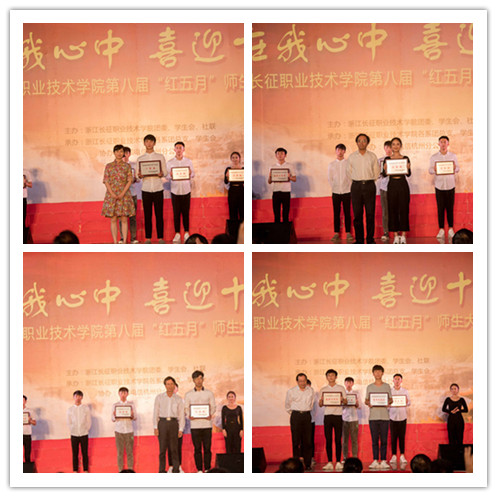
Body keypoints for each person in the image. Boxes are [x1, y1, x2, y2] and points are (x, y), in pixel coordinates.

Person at [347, 133, 379, 244]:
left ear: (367, 143)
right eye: (359, 141)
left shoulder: (372, 156)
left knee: (370, 214)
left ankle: (370, 239)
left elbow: (376, 172)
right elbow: (349, 172)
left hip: (370, 186)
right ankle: (359, 240)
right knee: (357, 215)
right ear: (356, 143)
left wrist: (369, 180)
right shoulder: (352, 157)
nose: (361, 143)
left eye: (364, 140)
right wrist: (357, 181)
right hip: (356, 187)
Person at [101, 144, 135, 244]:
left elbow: (129, 180)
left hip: (124, 195)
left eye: (121, 151)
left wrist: (122, 193)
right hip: (111, 195)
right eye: (117, 151)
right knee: (113, 219)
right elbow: (106, 181)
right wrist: (112, 193)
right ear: (114, 153)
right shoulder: (109, 166)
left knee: (124, 219)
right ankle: (115, 242)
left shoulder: (127, 166)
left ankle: (124, 242)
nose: (119, 153)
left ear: (123, 153)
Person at [429, 136, 460, 242]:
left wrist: (455, 167)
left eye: (445, 142)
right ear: (438, 144)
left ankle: (451, 229)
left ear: (448, 144)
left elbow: (458, 168)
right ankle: (441, 229)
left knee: (450, 208)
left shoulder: (453, 156)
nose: (443, 144)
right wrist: (434, 169)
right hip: (439, 186)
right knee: (440, 208)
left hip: (450, 185)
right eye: (441, 142)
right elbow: (430, 170)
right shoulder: (434, 157)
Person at [184, 371, 216, 472]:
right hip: (195, 426)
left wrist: (210, 414)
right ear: (193, 380)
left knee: (207, 448)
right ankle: (199, 470)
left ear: (203, 379)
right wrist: (189, 415)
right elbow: (186, 408)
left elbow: (213, 406)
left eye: (201, 378)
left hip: (207, 425)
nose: (199, 380)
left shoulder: (209, 393)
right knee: (197, 449)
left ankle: (207, 469)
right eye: (197, 378)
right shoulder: (188, 394)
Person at [136, 134, 166, 244]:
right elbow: (137, 176)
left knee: (159, 214)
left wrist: (162, 173)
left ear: (154, 143)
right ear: (144, 143)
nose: (149, 143)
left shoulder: (160, 157)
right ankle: (148, 238)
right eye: (147, 141)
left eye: (151, 141)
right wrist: (139, 176)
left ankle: (160, 237)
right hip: (146, 189)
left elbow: (165, 172)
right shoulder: (140, 159)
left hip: (158, 188)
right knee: (147, 215)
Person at [381, 137, 411, 243]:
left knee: (404, 209)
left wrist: (408, 168)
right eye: (393, 144)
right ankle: (395, 235)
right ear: (391, 146)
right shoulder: (387, 159)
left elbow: (408, 174)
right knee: (392, 210)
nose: (395, 146)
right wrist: (384, 169)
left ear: (401, 146)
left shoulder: (405, 158)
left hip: (403, 185)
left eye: (398, 144)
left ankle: (403, 235)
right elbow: (384, 174)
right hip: (392, 185)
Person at [153, 376, 185, 473]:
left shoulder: (178, 399)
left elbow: (181, 415)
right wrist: (155, 427)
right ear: (165, 385)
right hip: (162, 423)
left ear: (175, 385)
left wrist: (181, 429)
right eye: (168, 384)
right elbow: (155, 413)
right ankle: (161, 470)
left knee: (174, 449)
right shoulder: (159, 397)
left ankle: (176, 469)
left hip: (173, 424)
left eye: (171, 384)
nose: (170, 386)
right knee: (162, 449)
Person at [166, 141, 195, 243]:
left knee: (186, 213)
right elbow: (167, 176)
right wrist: (170, 175)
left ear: (184, 149)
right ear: (174, 149)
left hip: (186, 190)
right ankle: (177, 234)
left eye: (180, 148)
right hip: (175, 191)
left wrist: (190, 173)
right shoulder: (170, 162)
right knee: (176, 213)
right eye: (177, 148)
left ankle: (186, 233)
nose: (179, 150)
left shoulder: (188, 161)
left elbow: (193, 174)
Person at [284, 373, 314, 470]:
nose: (302, 383)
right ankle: (296, 465)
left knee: (308, 441)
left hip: (307, 416)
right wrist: (295, 413)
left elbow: (312, 403)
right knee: (296, 441)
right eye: (300, 381)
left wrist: (305, 412)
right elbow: (287, 405)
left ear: (306, 380)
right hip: (296, 416)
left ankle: (308, 464)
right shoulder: (291, 391)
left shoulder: (311, 390)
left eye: (304, 381)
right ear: (297, 381)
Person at [365, 365, 392, 470]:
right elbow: (366, 400)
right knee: (374, 440)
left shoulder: (387, 386)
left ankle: (384, 460)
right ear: (373, 373)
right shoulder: (369, 387)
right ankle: (375, 460)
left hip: (385, 417)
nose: (377, 373)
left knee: (384, 440)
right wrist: (368, 403)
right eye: (375, 371)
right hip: (373, 417)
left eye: (379, 371)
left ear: (382, 373)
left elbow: (391, 399)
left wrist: (388, 402)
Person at [318, 369, 346, 471]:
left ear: (336, 377)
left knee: (338, 440)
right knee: (328, 440)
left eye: (332, 375)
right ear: (326, 377)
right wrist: (321, 401)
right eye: (329, 375)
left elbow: (345, 402)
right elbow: (320, 404)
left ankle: (338, 462)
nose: (331, 377)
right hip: (328, 416)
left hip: (338, 416)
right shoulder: (323, 389)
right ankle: (329, 462)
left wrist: (342, 400)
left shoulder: (341, 388)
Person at [328, 144, 353, 242]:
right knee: (336, 213)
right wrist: (334, 187)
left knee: (347, 213)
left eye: (342, 150)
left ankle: (348, 233)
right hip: (335, 192)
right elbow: (329, 178)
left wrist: (349, 188)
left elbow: (350, 177)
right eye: (338, 150)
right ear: (336, 151)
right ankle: (336, 233)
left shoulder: (348, 163)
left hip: (347, 191)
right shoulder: (331, 164)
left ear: (344, 151)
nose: (340, 152)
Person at [268, 147, 296, 223]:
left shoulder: (290, 166)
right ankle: (277, 229)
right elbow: (269, 182)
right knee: (276, 213)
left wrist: (289, 177)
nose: (280, 155)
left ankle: (285, 229)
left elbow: (294, 179)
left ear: (285, 155)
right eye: (278, 154)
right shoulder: (272, 167)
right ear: (275, 155)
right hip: (276, 191)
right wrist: (270, 177)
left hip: (286, 191)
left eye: (282, 154)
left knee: (285, 213)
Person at [112, 386, 136, 472]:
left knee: (130, 452)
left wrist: (132, 415)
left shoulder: (131, 405)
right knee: (120, 453)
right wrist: (115, 415)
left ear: (127, 394)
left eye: (125, 393)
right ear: (119, 394)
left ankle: (130, 470)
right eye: (121, 393)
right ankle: (120, 471)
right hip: (119, 431)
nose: (123, 395)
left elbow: (135, 417)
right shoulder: (115, 405)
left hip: (129, 431)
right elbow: (112, 419)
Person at [388, 373, 410, 469]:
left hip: (402, 417)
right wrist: (388, 404)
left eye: (399, 379)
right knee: (393, 437)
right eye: (395, 379)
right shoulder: (390, 391)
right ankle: (393, 455)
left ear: (401, 381)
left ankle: (402, 455)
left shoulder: (405, 391)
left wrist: (406, 402)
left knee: (402, 437)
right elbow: (387, 404)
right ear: (393, 380)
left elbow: (409, 402)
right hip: (392, 417)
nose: (397, 381)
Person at [119, 146, 140, 243]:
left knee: (132, 217)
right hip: (121, 195)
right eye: (122, 153)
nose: (124, 155)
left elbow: (138, 179)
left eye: (126, 153)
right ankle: (122, 238)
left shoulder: (134, 165)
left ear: (129, 154)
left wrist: (135, 178)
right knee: (121, 218)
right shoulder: (117, 166)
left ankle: (133, 238)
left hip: (132, 194)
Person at [67, 390, 91, 473]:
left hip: (84, 433)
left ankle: (86, 470)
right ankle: (75, 470)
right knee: (75, 454)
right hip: (74, 434)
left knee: (85, 453)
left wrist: (86, 429)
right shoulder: (70, 409)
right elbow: (69, 422)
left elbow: (88, 421)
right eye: (76, 396)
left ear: (82, 397)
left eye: (80, 396)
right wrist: (72, 429)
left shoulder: (85, 408)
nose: (78, 398)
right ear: (74, 397)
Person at [342, 376, 363, 460]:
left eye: (350, 382)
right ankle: (344, 457)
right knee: (344, 440)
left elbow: (360, 406)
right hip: (344, 419)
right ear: (344, 383)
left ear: (353, 383)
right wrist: (343, 403)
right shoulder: (342, 393)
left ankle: (355, 457)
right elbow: (339, 406)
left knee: (354, 440)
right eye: (347, 382)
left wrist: (357, 404)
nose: (348, 384)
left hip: (354, 419)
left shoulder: (356, 393)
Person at [378, 140, 392, 242]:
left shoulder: (397, 159)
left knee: (395, 211)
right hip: (384, 188)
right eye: (387, 147)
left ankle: (396, 232)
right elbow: (377, 174)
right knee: (385, 212)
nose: (389, 149)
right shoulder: (380, 160)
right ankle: (386, 232)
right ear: (384, 148)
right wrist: (383, 172)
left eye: (390, 147)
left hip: (395, 188)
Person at [224, 151, 244, 222]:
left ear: (239, 158)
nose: (235, 159)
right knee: (232, 210)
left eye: (236, 157)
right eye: (233, 158)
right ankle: (233, 228)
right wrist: (227, 177)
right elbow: (226, 182)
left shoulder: (243, 169)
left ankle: (242, 228)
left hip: (241, 190)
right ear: (231, 159)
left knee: (242, 210)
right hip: (232, 190)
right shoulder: (228, 169)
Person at [23, 395, 36, 463]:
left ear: (25, 401)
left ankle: (27, 466)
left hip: (27, 433)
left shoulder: (30, 411)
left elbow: (34, 423)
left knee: (27, 452)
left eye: (22, 400)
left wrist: (29, 420)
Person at [23, 170, 33, 243]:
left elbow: (30, 185)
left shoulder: (26, 172)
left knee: (22, 219)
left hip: (22, 197)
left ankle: (23, 240)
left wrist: (25, 182)